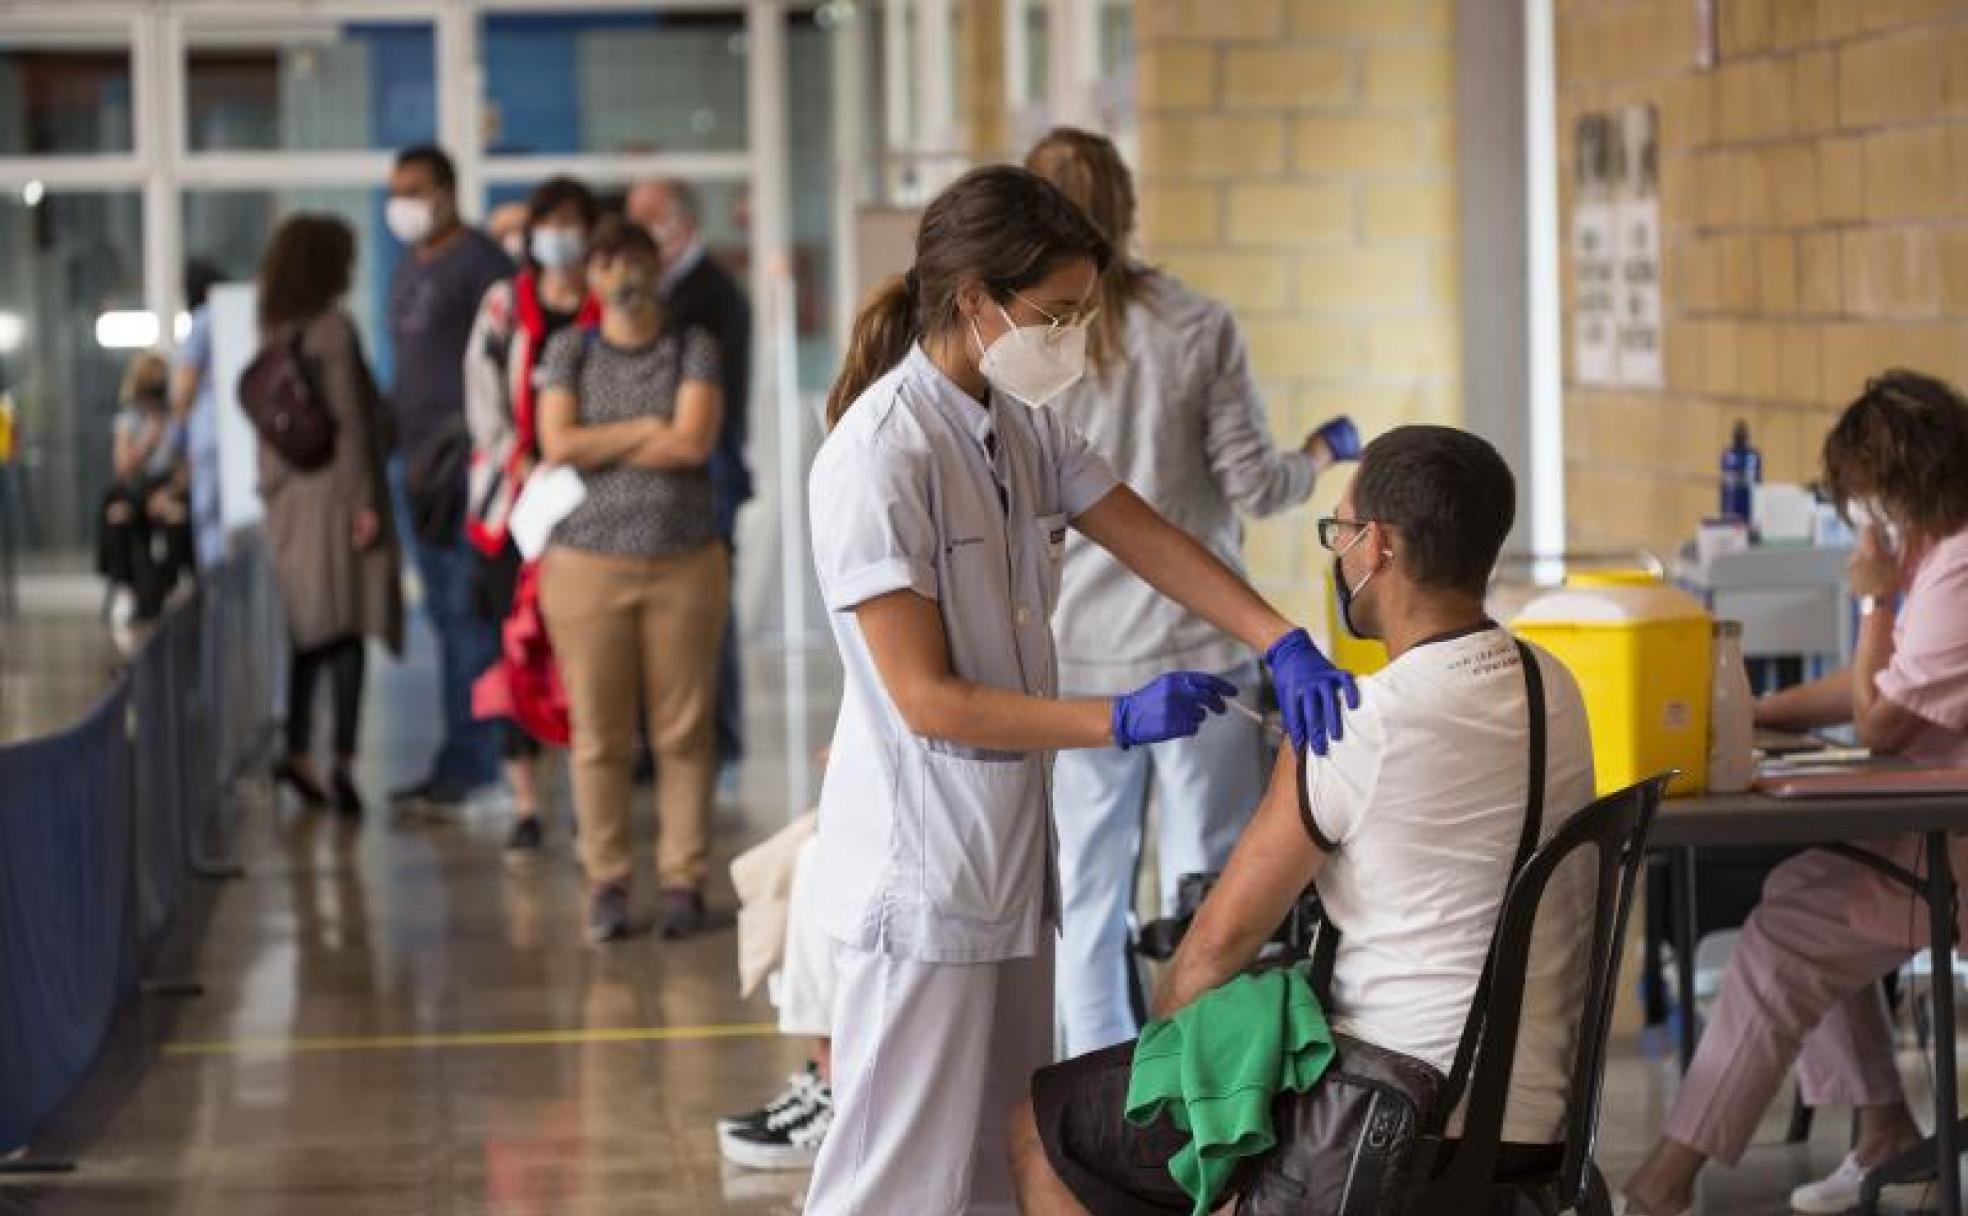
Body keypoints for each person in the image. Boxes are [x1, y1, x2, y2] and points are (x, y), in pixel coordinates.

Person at [802, 165, 1357, 1216]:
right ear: (974, 301)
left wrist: (1279, 637)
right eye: (1053, 317)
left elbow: (1146, 533)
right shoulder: (880, 455)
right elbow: (930, 698)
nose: (1069, 340)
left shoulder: (1017, 423)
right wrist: (1117, 719)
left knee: (991, 1155)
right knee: (889, 1179)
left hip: (1006, 864)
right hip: (922, 872)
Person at [1009, 426, 1599, 1216]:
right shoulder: (1553, 683)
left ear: (1376, 547)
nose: (1338, 554)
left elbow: (1211, 953)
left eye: (1339, 532)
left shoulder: (1357, 726)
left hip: (1386, 1120)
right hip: (1540, 1118)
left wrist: (1186, 1075)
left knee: (1043, 1126)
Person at [1025, 126, 1364, 1056]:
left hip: (1077, 661)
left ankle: (1099, 1087)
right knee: (1211, 892)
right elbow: (1257, 486)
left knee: (1085, 894)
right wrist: (1326, 454)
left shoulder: (1024, 343)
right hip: (1199, 649)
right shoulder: (1197, 326)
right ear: (1129, 208)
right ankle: (1201, 1083)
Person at [1621, 370, 1968, 1216]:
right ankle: (1884, 1127)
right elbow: (1882, 685)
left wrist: (1877, 598)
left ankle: (1668, 1177)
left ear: (1896, 485)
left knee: (1788, 937)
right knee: (1803, 894)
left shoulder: (1954, 571)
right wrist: (1750, 710)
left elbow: (1880, 721)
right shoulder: (1940, 557)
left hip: (1953, 841)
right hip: (1938, 824)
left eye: (1863, 499)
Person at [535, 217, 729, 943]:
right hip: (586, 567)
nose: (623, 275)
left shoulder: (694, 345)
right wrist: (649, 427)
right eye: (607, 262)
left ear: (657, 268)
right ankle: (607, 881)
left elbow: (693, 443)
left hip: (685, 563)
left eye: (635, 260)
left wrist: (604, 442)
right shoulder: (569, 351)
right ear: (591, 277)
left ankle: (683, 880)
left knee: (683, 733)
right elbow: (557, 443)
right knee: (598, 734)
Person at [462, 175, 601, 867]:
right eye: (550, 223)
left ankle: (588, 801)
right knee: (511, 650)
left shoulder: (604, 304)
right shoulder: (503, 306)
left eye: (572, 223)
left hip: (590, 505)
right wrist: (517, 462)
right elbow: (481, 397)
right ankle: (523, 801)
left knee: (584, 656)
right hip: (515, 506)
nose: (559, 238)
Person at [256, 214, 405, 818]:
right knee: (347, 632)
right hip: (336, 502)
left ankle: (297, 751)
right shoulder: (333, 331)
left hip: (290, 500)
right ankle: (341, 760)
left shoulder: (274, 328)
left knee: (307, 634)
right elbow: (351, 423)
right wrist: (363, 503)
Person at [385, 144, 515, 810]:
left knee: (472, 616)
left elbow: (505, 362)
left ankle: (483, 763)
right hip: (416, 470)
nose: (400, 203)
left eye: (412, 189)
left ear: (444, 191)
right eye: (394, 190)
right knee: (442, 617)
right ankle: (457, 758)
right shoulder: (409, 267)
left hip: (468, 467)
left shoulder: (483, 264)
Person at [627, 178, 753, 791]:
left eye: (648, 220)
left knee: (710, 615)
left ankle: (721, 745)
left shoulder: (713, 296)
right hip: (664, 484)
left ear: (681, 225)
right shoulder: (661, 294)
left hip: (712, 475)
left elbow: (701, 410)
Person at [98, 351, 193, 630]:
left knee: (177, 516)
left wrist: (170, 493)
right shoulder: (129, 420)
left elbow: (186, 467)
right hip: (135, 489)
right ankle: (126, 587)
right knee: (116, 515)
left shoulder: (178, 419)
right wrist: (148, 441)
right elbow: (122, 469)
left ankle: (171, 584)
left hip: (167, 488)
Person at [171, 259, 228, 572]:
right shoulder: (237, 317)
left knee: (208, 520)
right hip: (238, 434)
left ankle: (215, 594)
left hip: (208, 435)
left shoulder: (202, 322)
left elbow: (184, 389)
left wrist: (175, 440)